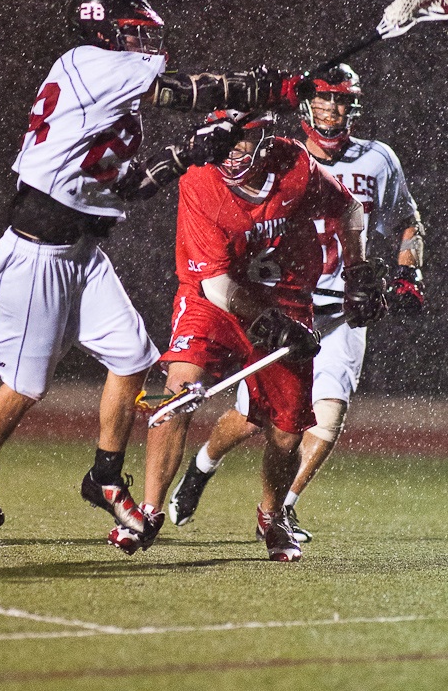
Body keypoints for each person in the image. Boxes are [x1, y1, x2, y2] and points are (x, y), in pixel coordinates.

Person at [0, 0, 312, 540]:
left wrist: (190, 153)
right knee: (26, 386)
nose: (143, 42)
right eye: (134, 32)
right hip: (38, 250)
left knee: (133, 354)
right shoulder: (91, 62)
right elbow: (182, 92)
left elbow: (133, 185)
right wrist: (265, 88)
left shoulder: (109, 97)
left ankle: (105, 478)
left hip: (82, 250)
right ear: (105, 32)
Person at [107, 109, 387, 561]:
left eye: (240, 145)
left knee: (287, 431)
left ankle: (272, 515)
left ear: (263, 142)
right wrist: (273, 326)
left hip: (285, 295)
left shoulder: (293, 164)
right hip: (212, 298)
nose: (231, 156)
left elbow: (349, 207)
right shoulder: (199, 178)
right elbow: (217, 284)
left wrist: (357, 267)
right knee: (177, 394)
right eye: (224, 145)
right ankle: (149, 511)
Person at [168, 63, 424, 544]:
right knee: (252, 417)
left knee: (327, 412)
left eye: (342, 100)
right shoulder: (280, 156)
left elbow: (407, 220)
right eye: (325, 98)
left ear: (355, 106)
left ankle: (280, 508)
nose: (333, 108)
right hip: (285, 299)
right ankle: (202, 468)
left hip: (343, 302)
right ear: (306, 103)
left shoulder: (377, 159)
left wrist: (406, 271)